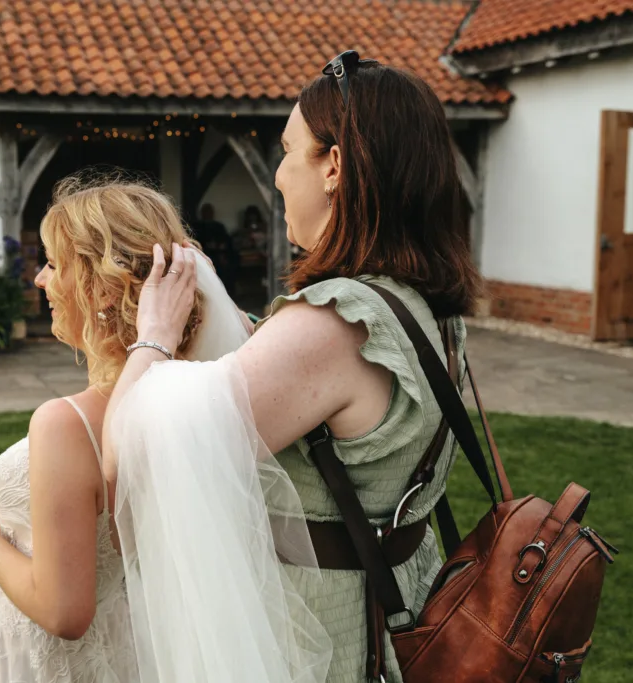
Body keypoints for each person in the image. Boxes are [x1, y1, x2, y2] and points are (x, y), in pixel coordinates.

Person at [102, 52, 480, 683]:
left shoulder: (333, 324)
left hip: (327, 627)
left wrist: (156, 337)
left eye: (286, 150)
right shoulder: (419, 301)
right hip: (402, 589)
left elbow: (131, 450)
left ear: (334, 166)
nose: (276, 176)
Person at [0, 177, 327, 683]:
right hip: (130, 643)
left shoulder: (65, 422)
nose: (39, 279)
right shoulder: (189, 397)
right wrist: (4, 517)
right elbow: (98, 515)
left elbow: (64, 614)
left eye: (54, 264)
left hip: (40, 659)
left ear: (102, 286)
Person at [189, 203, 238, 295]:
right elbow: (195, 241)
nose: (208, 213)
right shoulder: (197, 226)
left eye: (210, 211)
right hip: (204, 253)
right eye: (206, 212)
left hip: (220, 253)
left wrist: (221, 248)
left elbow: (226, 240)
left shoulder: (218, 226)